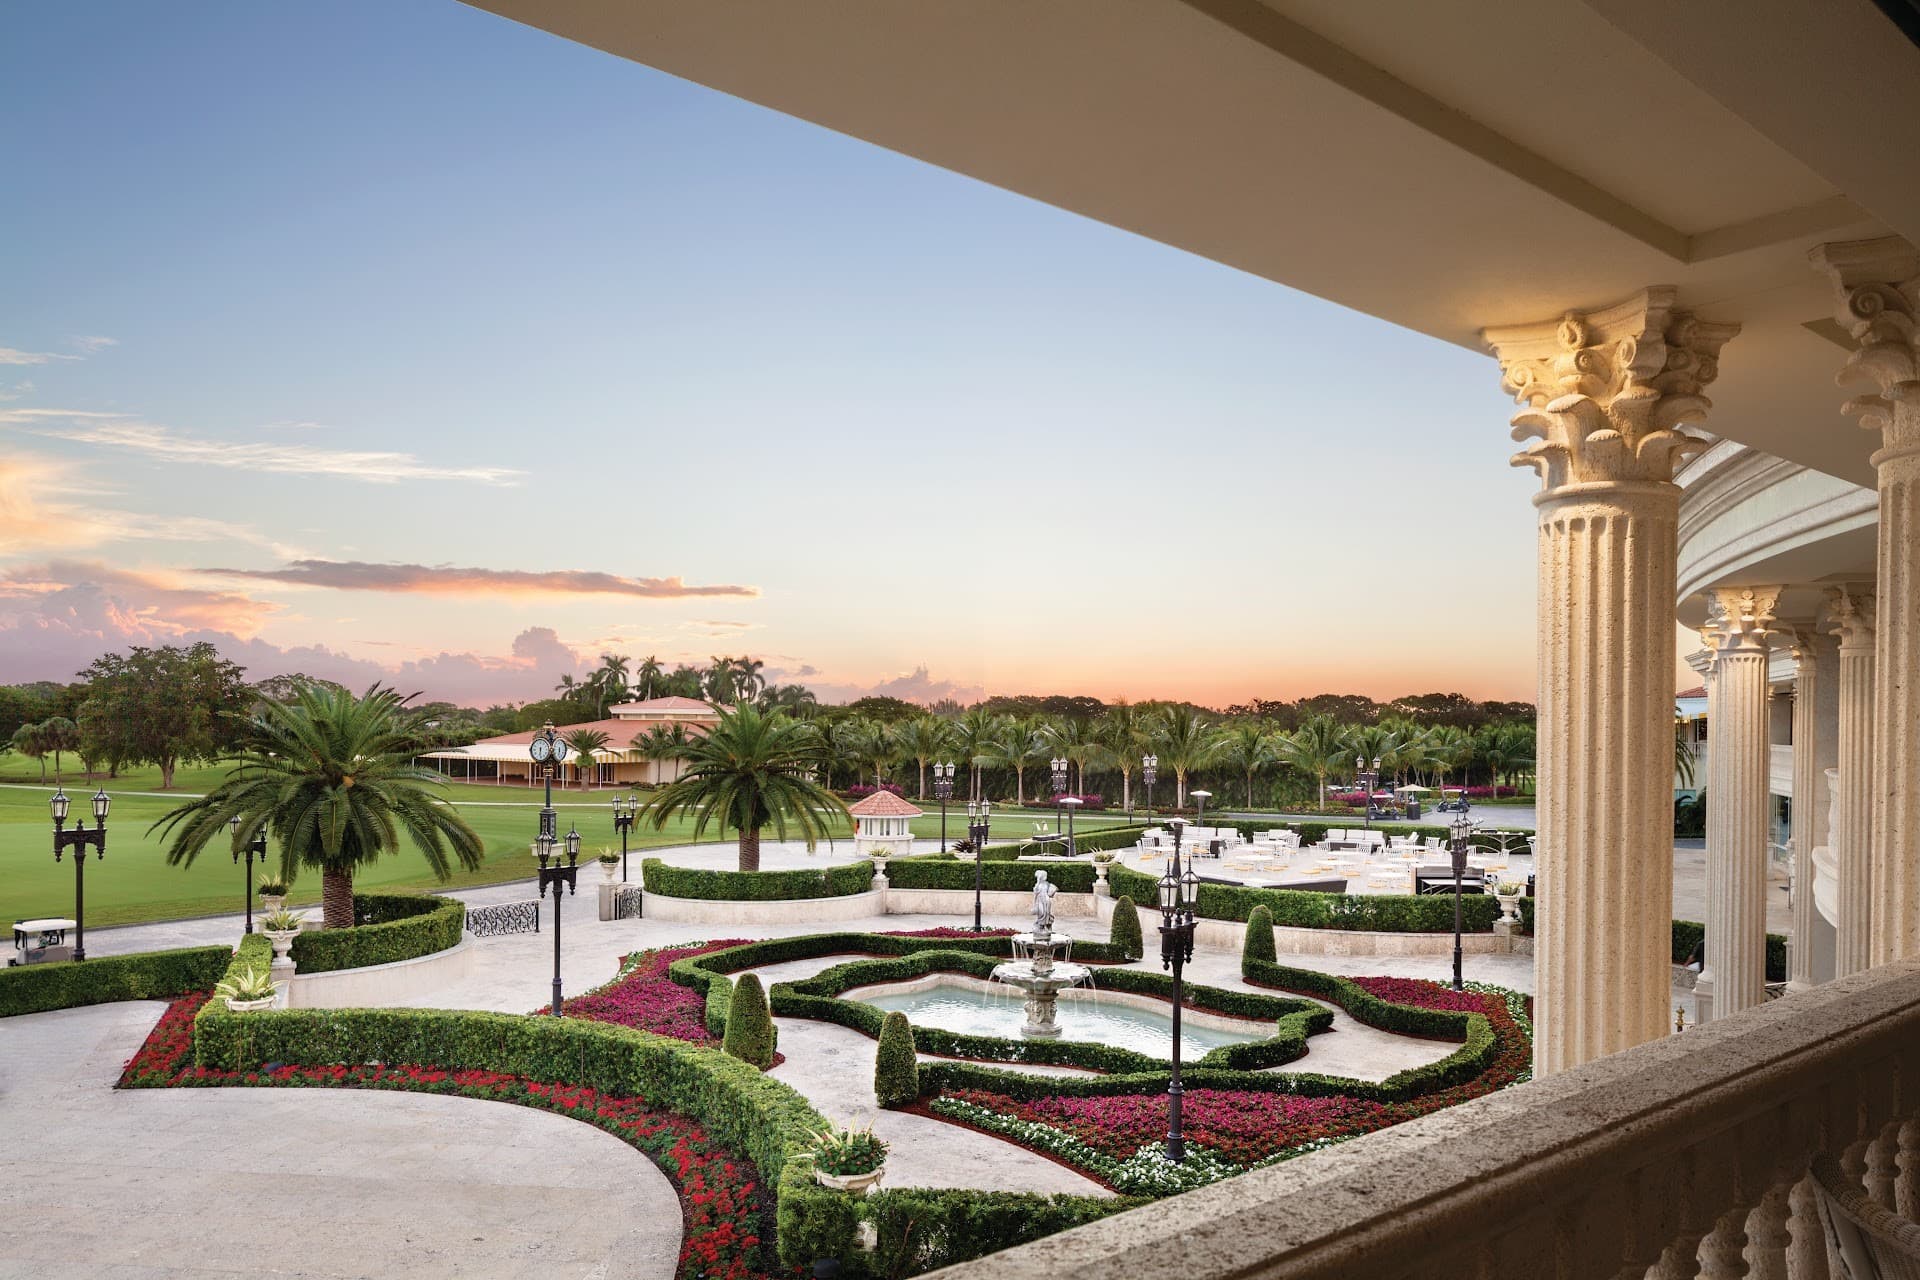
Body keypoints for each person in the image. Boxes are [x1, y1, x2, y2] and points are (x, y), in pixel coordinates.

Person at [1030, 869, 1057, 936]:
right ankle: (1040, 926)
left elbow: (1051, 893)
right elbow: (1035, 891)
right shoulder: (1038, 885)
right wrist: (1038, 881)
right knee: (1041, 913)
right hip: (1040, 901)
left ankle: (1046, 926)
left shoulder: (1047, 884)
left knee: (1046, 913)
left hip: (1046, 900)